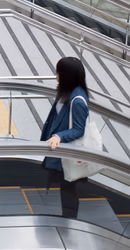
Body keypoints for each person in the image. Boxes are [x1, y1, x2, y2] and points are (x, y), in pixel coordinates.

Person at [40, 56, 90, 219]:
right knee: (66, 185)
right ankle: (68, 217)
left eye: (58, 72)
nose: (56, 75)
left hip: (68, 151)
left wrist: (59, 137)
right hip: (62, 151)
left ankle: (70, 219)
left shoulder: (77, 101)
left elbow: (78, 130)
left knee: (69, 186)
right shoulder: (66, 91)